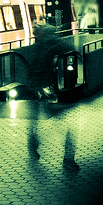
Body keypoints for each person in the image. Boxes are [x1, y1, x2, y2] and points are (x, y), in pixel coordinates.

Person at [26, 24, 79, 170]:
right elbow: (70, 49)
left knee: (34, 120)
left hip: (33, 89)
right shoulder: (52, 42)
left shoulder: (36, 45)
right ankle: (68, 159)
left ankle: (32, 144)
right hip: (46, 91)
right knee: (66, 124)